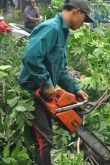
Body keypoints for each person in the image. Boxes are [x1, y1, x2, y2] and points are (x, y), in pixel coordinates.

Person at [19, 0, 94, 164]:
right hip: (32, 94)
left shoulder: (63, 32)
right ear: (76, 11)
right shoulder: (51, 28)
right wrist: (46, 84)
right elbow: (31, 58)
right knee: (44, 141)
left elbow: (59, 70)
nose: (83, 24)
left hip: (42, 97)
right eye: (84, 18)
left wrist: (75, 89)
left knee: (45, 140)